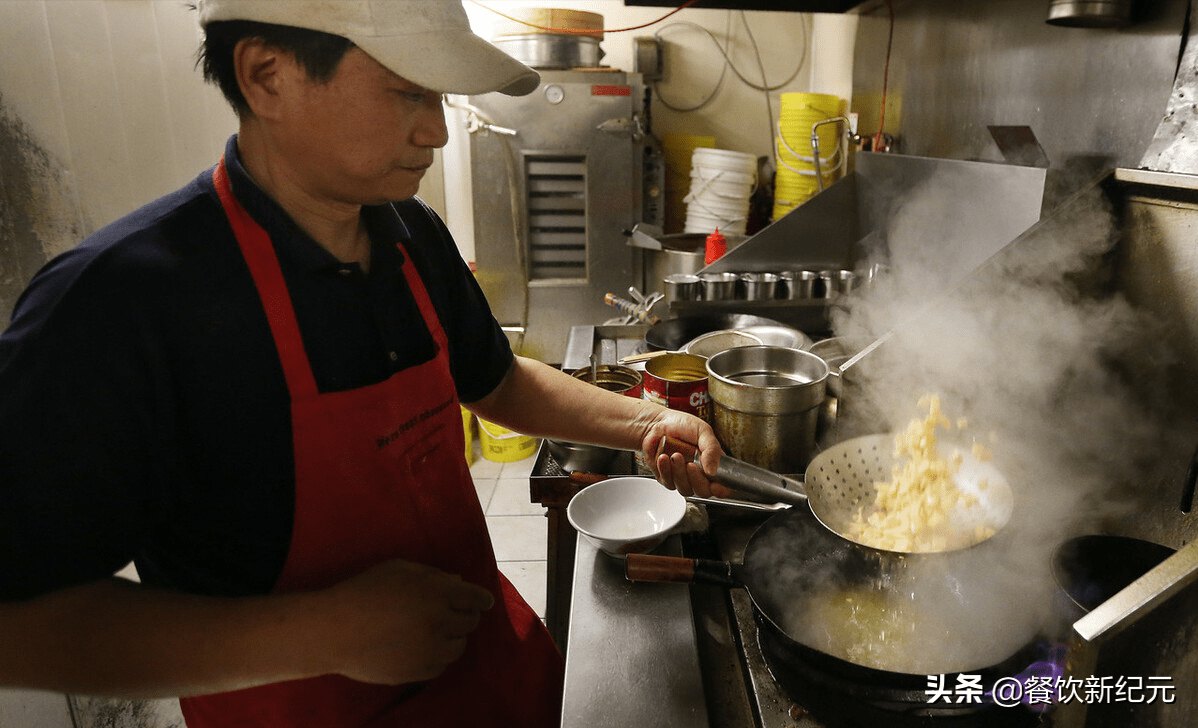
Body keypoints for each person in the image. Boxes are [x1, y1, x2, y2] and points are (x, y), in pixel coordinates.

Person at [0, 1, 726, 726]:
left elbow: (496, 379)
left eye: (438, 96)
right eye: (408, 90)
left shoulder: (412, 231)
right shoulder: (120, 304)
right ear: (267, 77)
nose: (437, 130)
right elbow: (19, 630)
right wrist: (324, 634)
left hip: (489, 674)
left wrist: (646, 421)